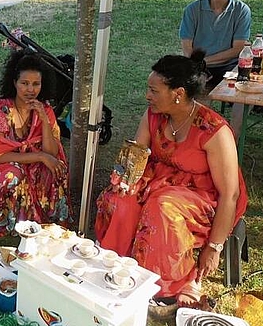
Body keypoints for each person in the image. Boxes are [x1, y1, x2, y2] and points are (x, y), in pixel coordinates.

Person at [94, 50, 248, 311]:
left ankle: (164, 285)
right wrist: (123, 182)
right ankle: (116, 267)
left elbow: (229, 194)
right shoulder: (153, 115)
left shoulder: (214, 130)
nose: (147, 96)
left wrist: (214, 247)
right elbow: (135, 159)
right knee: (122, 198)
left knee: (162, 207)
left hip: (202, 197)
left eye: (154, 90)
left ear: (177, 93)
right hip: (157, 181)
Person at [0, 49, 72, 237]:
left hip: (33, 159)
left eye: (36, 84)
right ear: (14, 83)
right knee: (14, 175)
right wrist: (40, 156)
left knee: (55, 168)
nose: (30, 89)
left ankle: (50, 221)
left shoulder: (44, 109)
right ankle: (6, 221)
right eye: (25, 83)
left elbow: (52, 152)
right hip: (0, 163)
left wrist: (44, 119)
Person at [179, 0, 251, 91]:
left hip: (229, 65)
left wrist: (204, 62)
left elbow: (238, 48)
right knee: (189, 93)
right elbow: (187, 46)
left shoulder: (242, 10)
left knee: (241, 90)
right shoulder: (193, 9)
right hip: (197, 65)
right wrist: (197, 66)